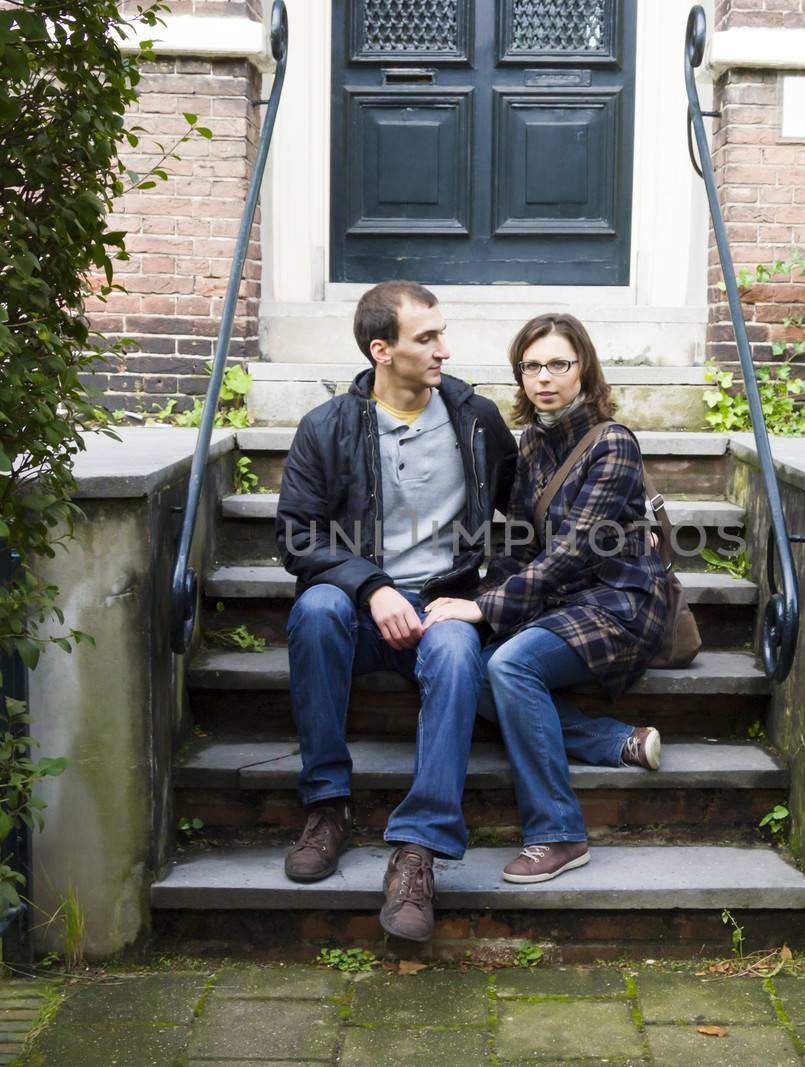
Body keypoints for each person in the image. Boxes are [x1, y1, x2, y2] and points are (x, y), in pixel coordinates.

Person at [274, 280, 516, 941]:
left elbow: (521, 512)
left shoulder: (476, 419)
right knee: (316, 610)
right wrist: (371, 585)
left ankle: (418, 851)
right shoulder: (327, 427)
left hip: (442, 600)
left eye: (442, 332)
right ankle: (327, 806)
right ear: (382, 350)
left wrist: (485, 599)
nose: (444, 348)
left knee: (459, 648)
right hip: (358, 605)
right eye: (426, 337)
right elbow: (297, 534)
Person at [423, 313, 669, 885]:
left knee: (510, 664)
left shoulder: (613, 444)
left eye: (559, 363)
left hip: (619, 601)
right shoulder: (531, 444)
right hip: (560, 601)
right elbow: (517, 546)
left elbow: (574, 551)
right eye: (531, 366)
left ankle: (557, 832)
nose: (544, 377)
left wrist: (487, 608)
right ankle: (613, 740)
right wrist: (473, 599)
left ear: (584, 368)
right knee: (469, 666)